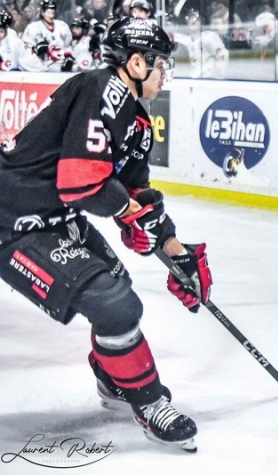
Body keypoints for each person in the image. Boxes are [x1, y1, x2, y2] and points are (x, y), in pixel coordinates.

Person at [0, 17, 208, 453]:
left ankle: (114, 378)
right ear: (136, 62)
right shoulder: (99, 89)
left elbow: (135, 193)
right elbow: (80, 183)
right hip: (13, 221)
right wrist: (128, 211)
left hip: (52, 217)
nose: (165, 72)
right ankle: (149, 404)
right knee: (115, 302)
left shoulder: (137, 122)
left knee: (118, 294)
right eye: (160, 63)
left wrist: (175, 250)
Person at [171, 9, 229, 79]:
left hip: (209, 79)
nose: (193, 20)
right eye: (190, 18)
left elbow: (223, 54)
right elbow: (171, 36)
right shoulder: (186, 40)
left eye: (196, 19)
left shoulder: (209, 36)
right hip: (192, 80)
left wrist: (215, 71)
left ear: (201, 22)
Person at [21, 0, 72, 72]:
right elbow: (25, 50)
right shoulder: (32, 28)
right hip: (39, 66)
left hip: (60, 65)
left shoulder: (62, 26)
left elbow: (68, 46)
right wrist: (36, 49)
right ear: (42, 13)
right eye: (48, 13)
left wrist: (68, 57)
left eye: (53, 13)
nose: (51, 16)